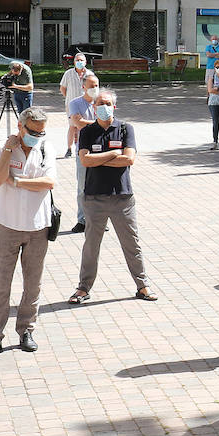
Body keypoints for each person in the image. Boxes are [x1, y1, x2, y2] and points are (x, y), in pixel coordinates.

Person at [68, 90, 157, 304]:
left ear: (114, 106)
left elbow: (129, 160)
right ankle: (83, 288)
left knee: (131, 243)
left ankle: (142, 285)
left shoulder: (126, 128)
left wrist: (98, 158)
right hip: (94, 197)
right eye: (100, 103)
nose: (104, 106)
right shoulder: (88, 131)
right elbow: (85, 161)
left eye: (107, 103)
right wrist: (112, 155)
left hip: (122, 197)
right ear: (94, 106)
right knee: (91, 245)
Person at [0, 107, 57, 357]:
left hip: (38, 226)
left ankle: (26, 330)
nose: (37, 135)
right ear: (20, 126)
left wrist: (17, 182)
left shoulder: (46, 147)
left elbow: (48, 183)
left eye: (41, 131)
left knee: (32, 283)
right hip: (8, 224)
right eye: (33, 131)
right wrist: (7, 150)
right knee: (2, 283)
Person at [66, 74, 101, 232]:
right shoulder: (75, 103)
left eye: (97, 85)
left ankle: (99, 219)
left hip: (101, 149)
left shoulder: (102, 102)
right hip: (84, 149)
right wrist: (98, 123)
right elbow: (78, 123)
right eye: (91, 85)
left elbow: (110, 122)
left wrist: (89, 124)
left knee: (100, 185)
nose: (94, 89)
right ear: (83, 87)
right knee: (83, 186)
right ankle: (82, 219)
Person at [59, 53, 93, 157]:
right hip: (71, 104)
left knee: (82, 126)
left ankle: (81, 147)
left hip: (85, 104)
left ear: (85, 62)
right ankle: (69, 149)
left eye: (81, 60)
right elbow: (62, 88)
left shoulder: (90, 74)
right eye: (77, 60)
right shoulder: (68, 73)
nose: (79, 62)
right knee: (72, 126)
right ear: (74, 62)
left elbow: (94, 89)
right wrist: (68, 98)